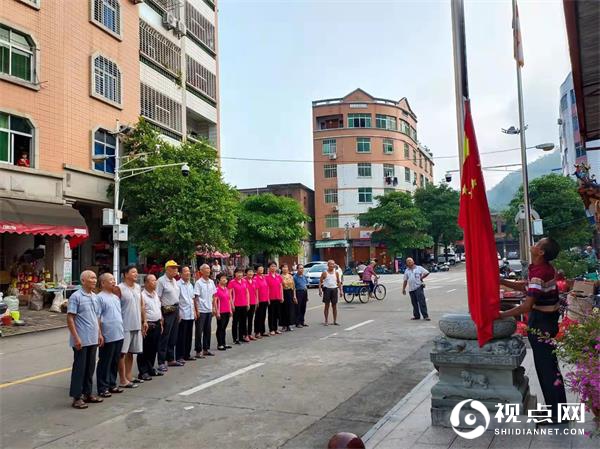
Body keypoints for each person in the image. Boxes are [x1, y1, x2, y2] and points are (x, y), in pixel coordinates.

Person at [500, 237, 567, 423]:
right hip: (546, 321)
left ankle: (556, 415)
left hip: (541, 323)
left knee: (547, 370)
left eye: (538, 244)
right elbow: (526, 286)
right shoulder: (542, 270)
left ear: (541, 252)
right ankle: (557, 411)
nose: (534, 245)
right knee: (549, 368)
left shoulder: (540, 272)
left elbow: (527, 306)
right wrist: (502, 281)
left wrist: (501, 315)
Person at [67, 270, 103, 409]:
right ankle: (77, 397)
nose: (94, 280)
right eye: (91, 278)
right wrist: (76, 338)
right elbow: (70, 318)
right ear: (83, 281)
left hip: (93, 338)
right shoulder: (76, 296)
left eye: (95, 278)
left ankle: (88, 393)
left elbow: (97, 317)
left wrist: (99, 334)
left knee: (90, 367)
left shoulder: (95, 297)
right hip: (81, 339)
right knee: (79, 369)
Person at [118, 265, 147, 388]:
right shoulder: (119, 288)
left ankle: (129, 376)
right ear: (125, 274)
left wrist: (144, 320)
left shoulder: (137, 287)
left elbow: (141, 305)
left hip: (136, 324)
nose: (136, 274)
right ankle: (122, 379)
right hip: (125, 325)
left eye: (136, 272)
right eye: (133, 272)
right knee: (122, 353)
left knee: (131, 352)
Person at [96, 273, 124, 398]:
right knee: (105, 362)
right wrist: (100, 333)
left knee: (115, 360)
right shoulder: (99, 298)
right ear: (103, 283)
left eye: (114, 279)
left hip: (118, 333)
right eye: (111, 280)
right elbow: (97, 317)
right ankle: (102, 387)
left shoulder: (115, 297)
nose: (114, 282)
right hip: (107, 334)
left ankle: (112, 383)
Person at [137, 275, 163, 379]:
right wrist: (143, 323)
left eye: (155, 280)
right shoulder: (142, 295)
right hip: (148, 325)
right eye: (153, 281)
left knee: (153, 348)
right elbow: (141, 311)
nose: (155, 282)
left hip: (156, 323)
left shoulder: (155, 294)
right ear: (146, 283)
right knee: (144, 349)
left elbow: (158, 308)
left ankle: (150, 368)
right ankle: (143, 372)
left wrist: (161, 321)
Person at [157, 260, 181, 372]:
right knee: (165, 337)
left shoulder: (175, 281)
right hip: (166, 310)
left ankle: (171, 359)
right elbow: (158, 298)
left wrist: (179, 311)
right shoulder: (161, 281)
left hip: (175, 309)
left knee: (173, 336)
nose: (175, 270)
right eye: (173, 268)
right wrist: (160, 314)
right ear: (167, 269)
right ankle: (161, 361)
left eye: (176, 268)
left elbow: (176, 297)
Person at [193, 264, 216, 358]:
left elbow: (213, 296)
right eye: (206, 268)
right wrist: (197, 310)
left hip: (209, 309)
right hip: (201, 310)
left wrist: (214, 307)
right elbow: (196, 297)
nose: (208, 270)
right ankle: (198, 351)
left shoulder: (211, 282)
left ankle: (206, 349)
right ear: (201, 271)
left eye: (209, 268)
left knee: (208, 330)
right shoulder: (198, 283)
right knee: (199, 331)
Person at [176, 266, 197, 363]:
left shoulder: (190, 284)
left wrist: (195, 311)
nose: (188, 273)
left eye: (189, 271)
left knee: (189, 335)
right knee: (181, 336)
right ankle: (179, 356)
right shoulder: (178, 285)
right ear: (180, 274)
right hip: (182, 313)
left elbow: (192, 299)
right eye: (185, 271)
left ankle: (187, 354)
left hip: (190, 313)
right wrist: (178, 313)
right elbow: (176, 300)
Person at [229, 267, 249, 344]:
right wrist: (232, 304)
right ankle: (235, 338)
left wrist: (247, 303)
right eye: (238, 273)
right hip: (236, 304)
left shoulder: (244, 281)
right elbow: (230, 294)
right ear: (235, 274)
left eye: (241, 273)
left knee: (243, 321)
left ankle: (241, 336)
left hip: (244, 304)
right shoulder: (232, 282)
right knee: (235, 322)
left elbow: (247, 292)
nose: (240, 274)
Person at [319, 260, 342, 326]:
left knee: (334, 306)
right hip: (327, 290)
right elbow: (320, 281)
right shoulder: (325, 273)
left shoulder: (336, 273)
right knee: (327, 305)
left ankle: (335, 321)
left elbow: (338, 282)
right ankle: (326, 321)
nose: (332, 265)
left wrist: (341, 291)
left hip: (334, 289)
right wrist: (320, 290)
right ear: (328, 265)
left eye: (333, 264)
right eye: (330, 264)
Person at [214, 273, 233, 351]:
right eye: (223, 278)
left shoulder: (226, 289)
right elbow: (215, 301)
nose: (225, 279)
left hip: (227, 311)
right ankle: (220, 344)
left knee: (224, 328)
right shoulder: (216, 289)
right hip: (220, 311)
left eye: (225, 278)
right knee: (220, 327)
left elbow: (228, 300)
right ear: (218, 280)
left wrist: (230, 310)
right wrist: (217, 312)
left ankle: (224, 343)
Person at [266, 261, 284, 335]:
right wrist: (267, 298)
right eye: (272, 266)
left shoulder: (278, 276)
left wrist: (282, 296)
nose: (273, 267)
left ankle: (276, 328)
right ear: (269, 268)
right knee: (271, 314)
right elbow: (266, 288)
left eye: (274, 266)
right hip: (271, 298)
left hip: (278, 297)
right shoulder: (266, 277)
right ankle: (271, 329)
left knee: (277, 314)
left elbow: (281, 287)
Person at [253, 265, 270, 338]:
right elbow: (255, 290)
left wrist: (268, 298)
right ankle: (257, 332)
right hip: (259, 300)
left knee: (263, 316)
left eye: (262, 269)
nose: (261, 270)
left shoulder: (264, 277)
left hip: (265, 299)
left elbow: (267, 288)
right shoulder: (255, 278)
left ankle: (262, 331)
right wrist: (256, 300)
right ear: (256, 270)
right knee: (258, 316)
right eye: (259, 269)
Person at [280, 264, 296, 332]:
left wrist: (294, 296)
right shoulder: (280, 277)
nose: (285, 268)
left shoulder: (291, 276)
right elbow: (280, 287)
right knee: (283, 309)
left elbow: (294, 286)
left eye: (286, 267)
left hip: (290, 293)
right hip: (283, 293)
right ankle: (284, 325)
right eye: (283, 267)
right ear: (281, 269)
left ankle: (289, 325)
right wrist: (281, 296)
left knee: (290, 309)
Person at [245, 268, 258, 340]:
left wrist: (257, 301)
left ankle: (249, 334)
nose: (250, 273)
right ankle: (245, 334)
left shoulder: (254, 281)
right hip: (246, 303)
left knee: (250, 319)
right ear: (246, 273)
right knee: (245, 319)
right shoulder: (244, 281)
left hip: (253, 302)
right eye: (249, 272)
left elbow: (256, 291)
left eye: (252, 272)